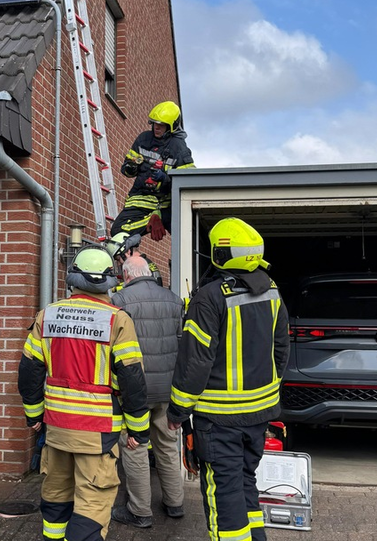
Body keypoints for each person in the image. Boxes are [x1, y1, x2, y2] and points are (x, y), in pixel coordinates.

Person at [166, 218, 290, 541]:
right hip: (258, 418)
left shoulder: (209, 298)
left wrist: (177, 412)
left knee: (224, 495)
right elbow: (281, 352)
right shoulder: (273, 293)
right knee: (246, 484)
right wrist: (268, 396)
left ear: (221, 254)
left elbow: (195, 361)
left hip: (219, 422)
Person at [18, 246, 150, 541]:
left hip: (56, 428)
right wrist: (138, 431)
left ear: (72, 278)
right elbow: (132, 380)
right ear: (110, 281)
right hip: (97, 431)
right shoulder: (118, 320)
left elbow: (29, 372)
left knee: (56, 499)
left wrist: (34, 415)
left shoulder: (48, 315)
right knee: (92, 505)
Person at [109, 255, 186, 528]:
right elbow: (181, 344)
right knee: (167, 446)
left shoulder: (118, 302)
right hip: (167, 390)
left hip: (135, 391)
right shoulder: (174, 300)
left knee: (135, 446)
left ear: (126, 276)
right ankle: (175, 503)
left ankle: (140, 510)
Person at [110, 101, 195, 241]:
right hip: (140, 199)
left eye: (161, 125)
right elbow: (126, 171)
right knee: (117, 232)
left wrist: (165, 179)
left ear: (171, 126)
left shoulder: (178, 147)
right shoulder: (143, 139)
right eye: (155, 124)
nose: (157, 128)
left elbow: (188, 182)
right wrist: (130, 167)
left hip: (166, 204)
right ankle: (150, 221)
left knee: (187, 236)